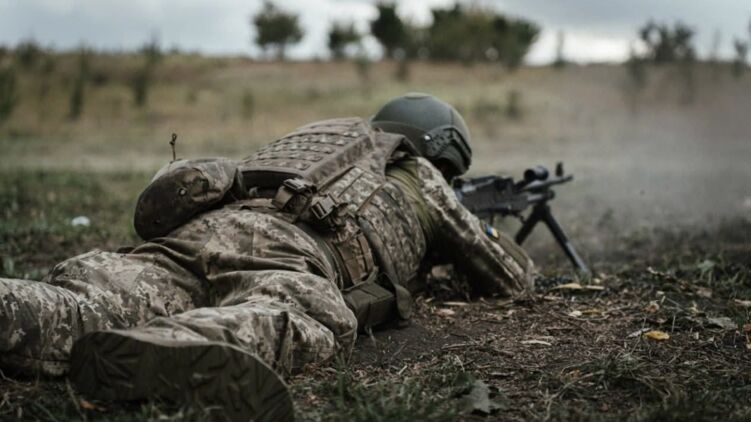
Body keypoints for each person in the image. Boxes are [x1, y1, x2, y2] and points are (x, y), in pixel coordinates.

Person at [0, 93, 534, 421]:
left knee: (91, 301)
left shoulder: (315, 143)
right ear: (440, 153)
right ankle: (179, 345)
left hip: (201, 232)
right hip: (291, 249)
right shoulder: (422, 175)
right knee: (304, 315)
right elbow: (510, 277)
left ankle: (15, 305)